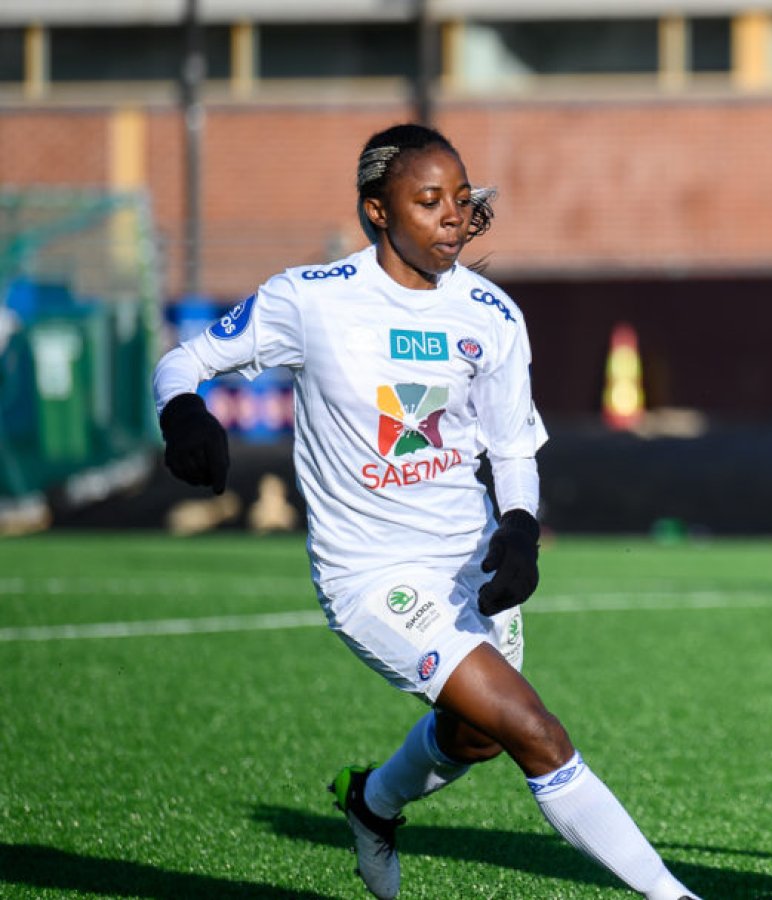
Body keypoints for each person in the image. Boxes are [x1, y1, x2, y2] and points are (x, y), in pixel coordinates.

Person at [152, 123, 699, 900]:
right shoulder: (311, 300)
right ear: (378, 211)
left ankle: (371, 804)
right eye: (429, 200)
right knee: (535, 733)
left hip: (469, 560)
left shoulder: (490, 314)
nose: (453, 216)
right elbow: (185, 359)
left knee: (475, 738)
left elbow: (513, 448)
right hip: (372, 575)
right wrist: (183, 414)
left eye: (461, 199)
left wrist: (519, 529)